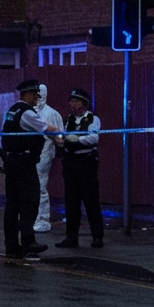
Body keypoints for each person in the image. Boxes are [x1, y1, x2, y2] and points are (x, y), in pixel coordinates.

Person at [0, 79, 55, 259]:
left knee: (13, 205)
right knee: (30, 201)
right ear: (27, 94)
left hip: (12, 162)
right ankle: (28, 242)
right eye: (35, 95)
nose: (37, 99)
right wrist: (62, 137)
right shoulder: (27, 113)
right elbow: (47, 128)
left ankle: (12, 246)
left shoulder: (12, 110)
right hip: (23, 163)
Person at [54, 88, 104, 248]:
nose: (72, 104)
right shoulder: (69, 119)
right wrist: (61, 140)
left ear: (84, 103)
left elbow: (93, 138)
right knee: (71, 201)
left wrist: (77, 140)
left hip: (86, 162)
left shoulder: (92, 119)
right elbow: (63, 135)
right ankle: (71, 237)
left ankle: (97, 236)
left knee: (91, 200)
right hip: (71, 163)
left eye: (76, 101)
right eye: (71, 101)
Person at [33, 83, 64, 233]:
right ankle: (31, 216)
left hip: (44, 154)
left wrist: (56, 139)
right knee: (29, 187)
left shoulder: (51, 114)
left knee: (40, 186)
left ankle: (42, 218)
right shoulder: (28, 112)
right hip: (30, 155)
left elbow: (60, 136)